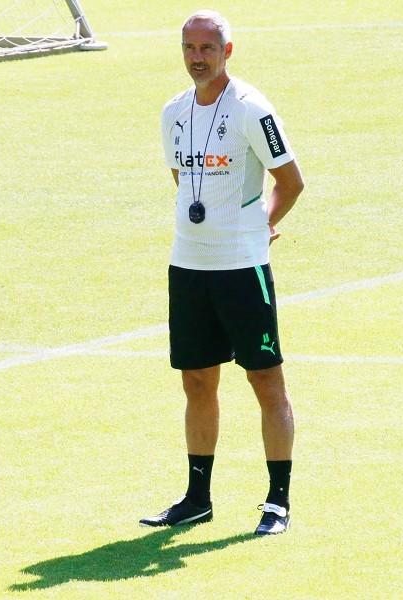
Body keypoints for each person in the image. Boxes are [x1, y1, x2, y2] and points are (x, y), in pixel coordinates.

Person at [140, 10, 304, 536]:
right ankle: (197, 498)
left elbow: (291, 180)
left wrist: (263, 226)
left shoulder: (252, 110)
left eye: (207, 48)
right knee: (196, 379)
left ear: (227, 52)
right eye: (189, 48)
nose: (196, 58)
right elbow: (181, 178)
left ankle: (277, 503)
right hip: (189, 264)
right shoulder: (172, 112)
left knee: (265, 379)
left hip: (241, 266)